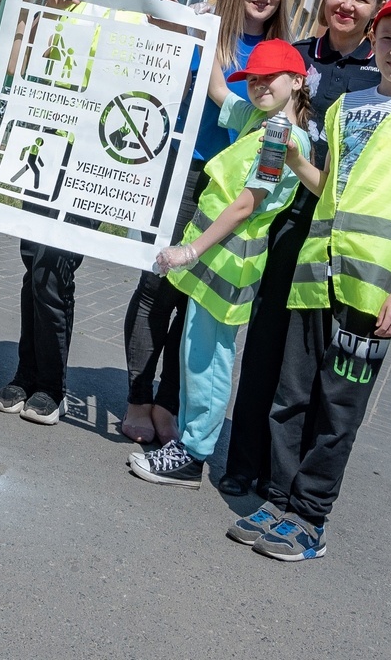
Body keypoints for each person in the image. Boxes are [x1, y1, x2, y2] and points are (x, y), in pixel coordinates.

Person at [229, 0, 391, 562]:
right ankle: (280, 501)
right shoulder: (345, 107)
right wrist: (290, 158)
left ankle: (310, 520)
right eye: (388, 39)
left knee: (338, 406)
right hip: (317, 273)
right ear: (373, 41)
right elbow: (326, 187)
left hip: (376, 286)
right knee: (291, 395)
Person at [218, 0, 387, 496]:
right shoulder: (292, 55)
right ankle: (244, 462)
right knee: (264, 346)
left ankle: (283, 476)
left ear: (374, 10)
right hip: (284, 223)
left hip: (335, 235)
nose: (347, 4)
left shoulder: (374, 76)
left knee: (307, 361)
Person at [0, 0, 158, 426]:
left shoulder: (157, 12)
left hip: (96, 162)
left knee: (55, 267)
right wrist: (27, 10)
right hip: (46, 148)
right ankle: (23, 372)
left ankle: (50, 385)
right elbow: (26, 58)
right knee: (33, 260)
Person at [122, 0, 288, 445]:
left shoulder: (282, 53)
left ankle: (168, 404)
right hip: (188, 176)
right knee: (159, 287)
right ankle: (137, 399)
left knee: (202, 303)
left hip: (239, 196)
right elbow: (142, 36)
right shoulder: (206, 30)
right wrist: (178, 19)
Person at [130, 39, 313, 487]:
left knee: (209, 361)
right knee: (197, 354)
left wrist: (189, 251)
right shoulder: (259, 120)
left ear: (297, 81)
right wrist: (208, 33)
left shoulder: (281, 136)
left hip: (229, 261)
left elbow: (246, 205)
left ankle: (193, 454)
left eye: (270, 77)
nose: (259, 84)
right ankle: (189, 445)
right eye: (253, 77)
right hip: (216, 258)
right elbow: (216, 88)